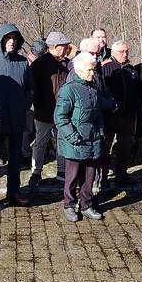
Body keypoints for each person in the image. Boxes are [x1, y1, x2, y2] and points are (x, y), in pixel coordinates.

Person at [55, 52, 116, 222]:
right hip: (75, 141)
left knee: (89, 175)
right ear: (80, 71)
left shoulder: (94, 89)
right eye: (90, 70)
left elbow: (97, 115)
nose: (93, 73)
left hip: (93, 139)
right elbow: (60, 116)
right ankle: (69, 205)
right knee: (72, 176)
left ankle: (87, 204)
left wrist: (101, 132)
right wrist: (72, 136)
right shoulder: (68, 90)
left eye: (93, 70)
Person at [0, 23, 33, 207]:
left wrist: (23, 104)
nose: (12, 42)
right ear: (1, 40)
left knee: (15, 158)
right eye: (8, 38)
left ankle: (14, 192)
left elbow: (29, 89)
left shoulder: (22, 62)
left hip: (17, 118)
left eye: (15, 39)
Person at [28, 31, 71, 188]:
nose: (67, 48)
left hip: (62, 110)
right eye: (64, 45)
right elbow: (33, 88)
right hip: (43, 110)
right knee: (41, 141)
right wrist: (39, 105)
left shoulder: (66, 63)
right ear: (55, 46)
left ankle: (62, 170)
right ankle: (36, 171)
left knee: (62, 140)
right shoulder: (39, 64)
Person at [101, 40, 142, 185]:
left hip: (128, 115)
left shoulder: (131, 69)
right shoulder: (106, 68)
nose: (125, 54)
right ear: (113, 52)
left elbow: (139, 90)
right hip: (110, 115)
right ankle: (103, 176)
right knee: (105, 147)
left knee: (125, 146)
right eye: (121, 52)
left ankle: (122, 174)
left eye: (127, 51)